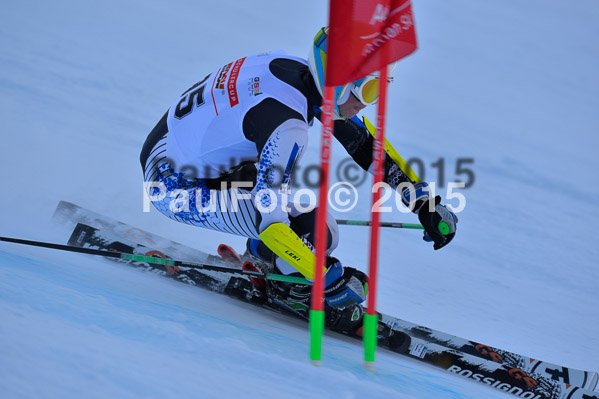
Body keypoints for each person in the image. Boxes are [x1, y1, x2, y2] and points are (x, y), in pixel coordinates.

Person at [140, 27, 457, 326]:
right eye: (370, 90)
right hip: (174, 188)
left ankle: (267, 262)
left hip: (176, 153)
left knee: (294, 209)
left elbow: (363, 143)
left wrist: (422, 201)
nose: (367, 104)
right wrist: (326, 277)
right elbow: (273, 224)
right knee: (318, 231)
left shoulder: (291, 68)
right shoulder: (287, 127)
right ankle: (292, 292)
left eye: (379, 90)